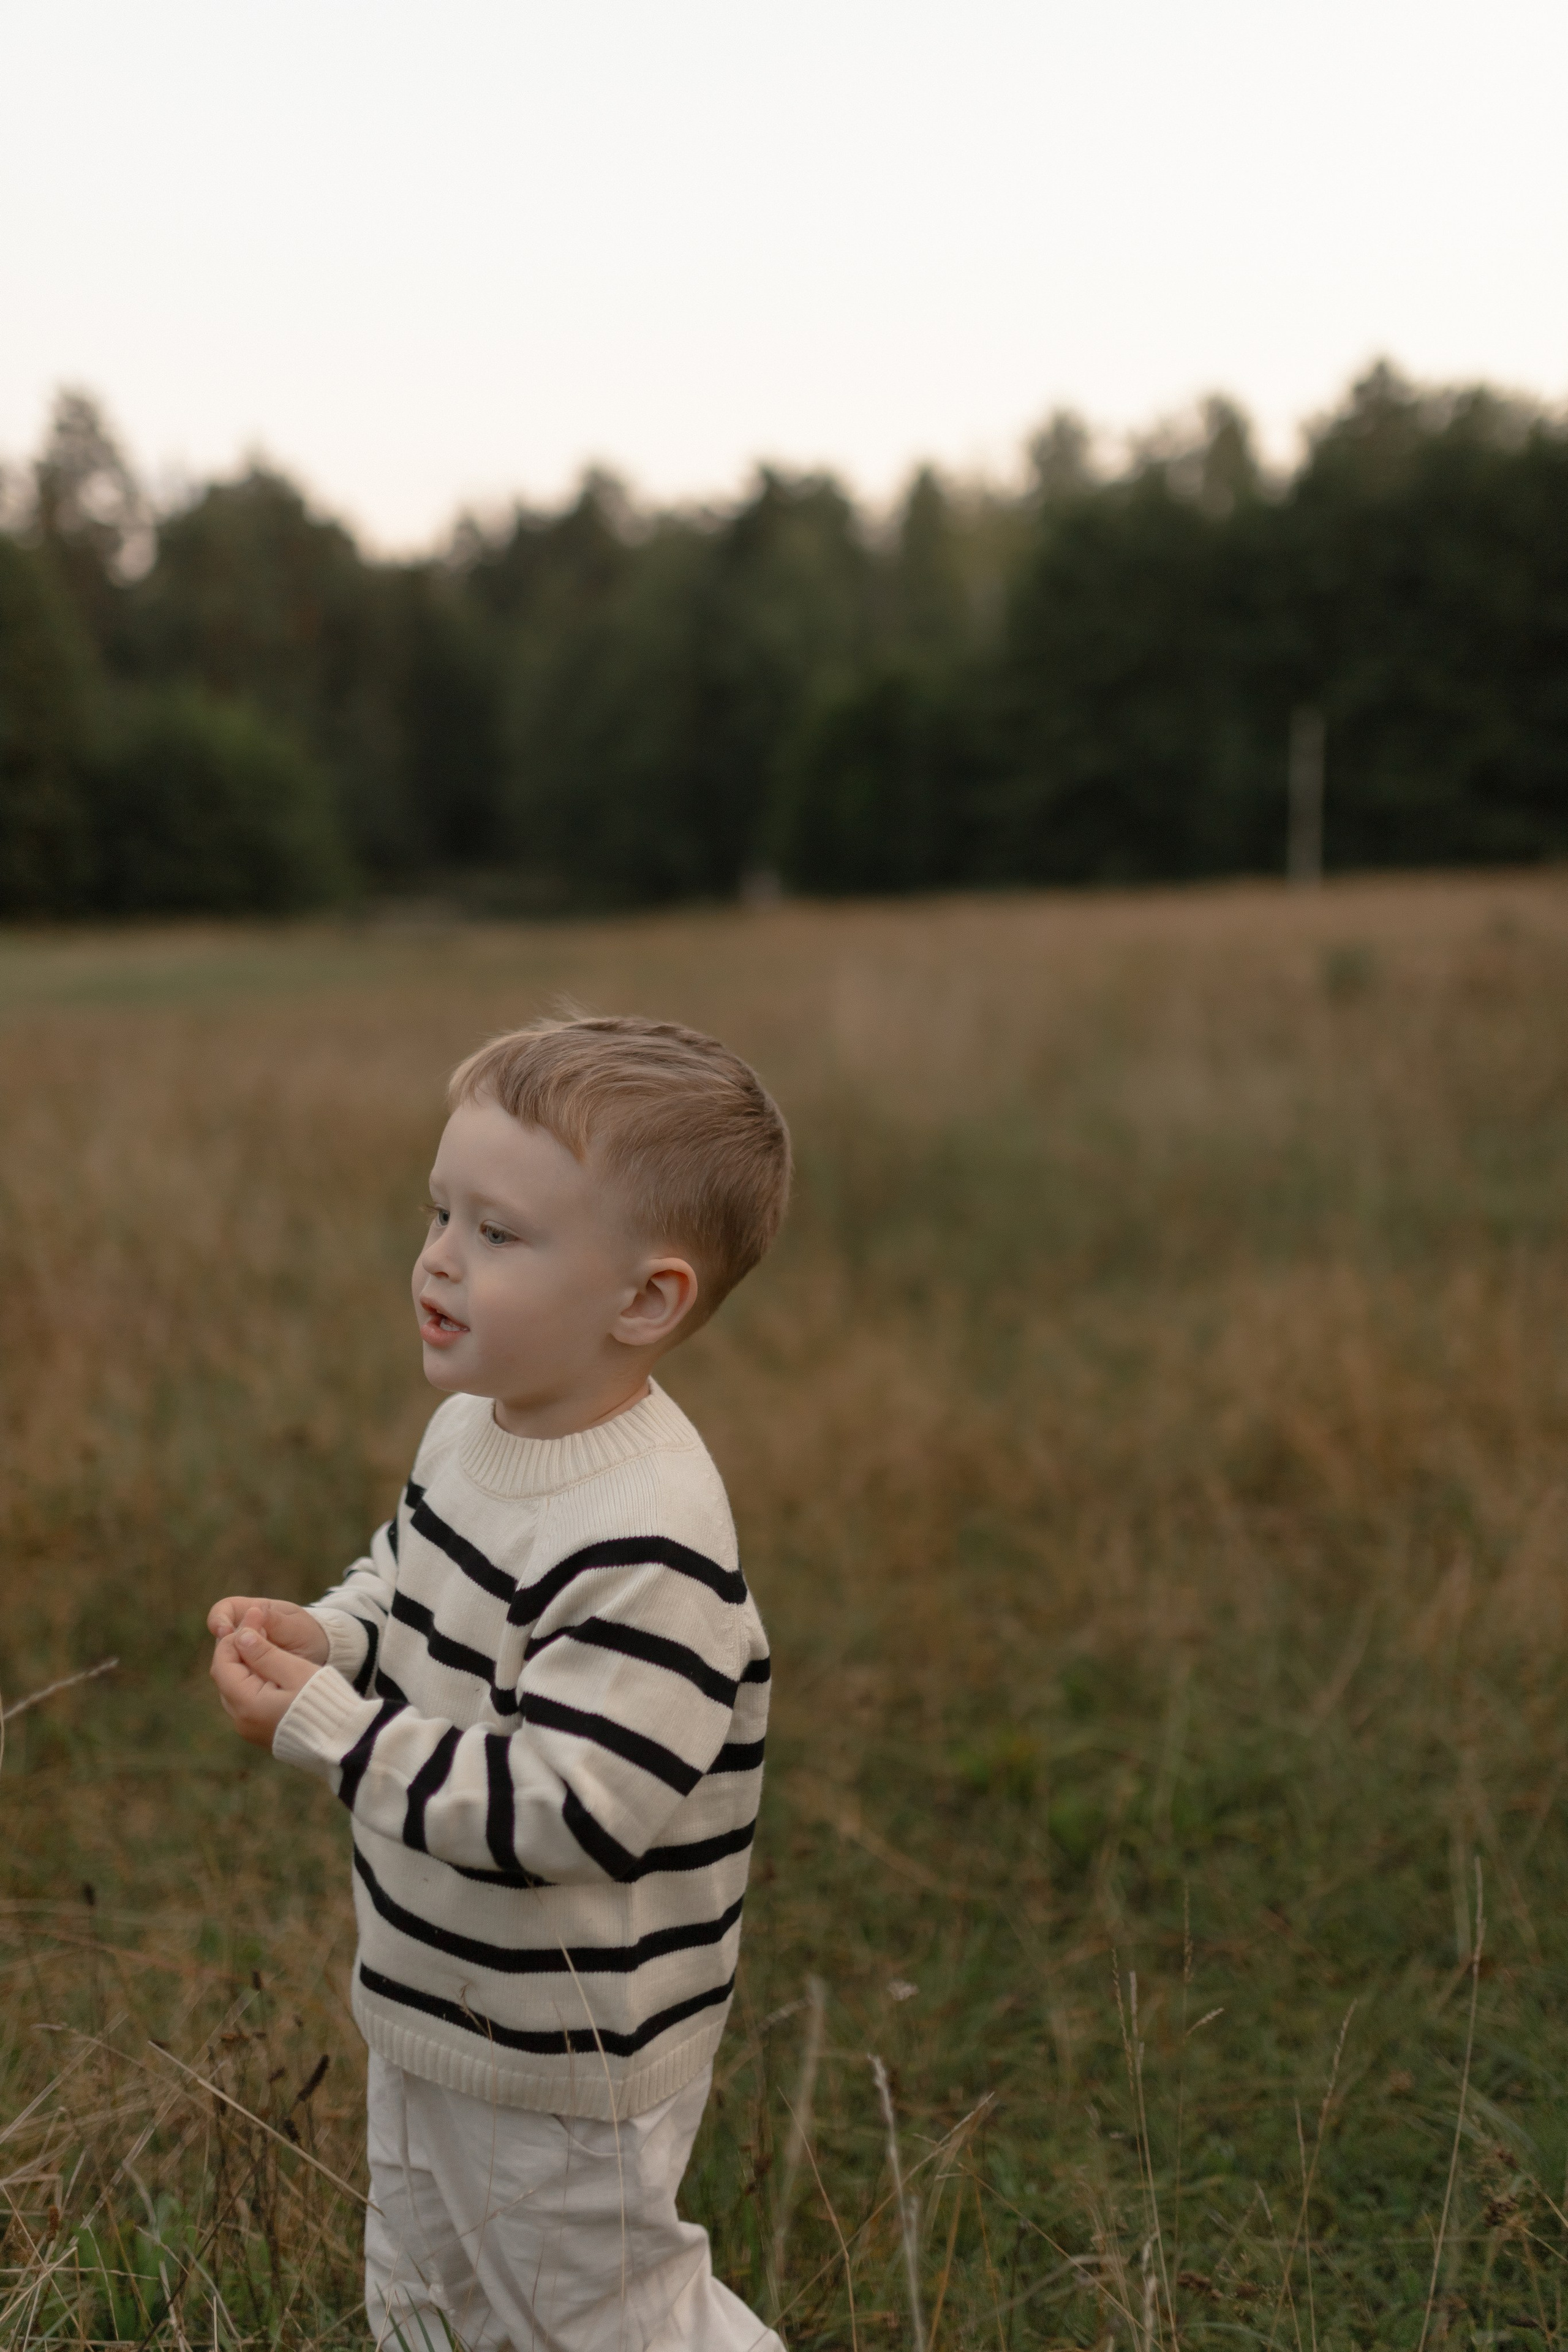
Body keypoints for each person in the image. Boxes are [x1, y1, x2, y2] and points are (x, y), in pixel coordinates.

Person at [208, 1015, 791, 2352]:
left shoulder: (647, 1541)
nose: (438, 1259)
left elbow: (566, 1815)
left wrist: (328, 1729)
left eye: (498, 1235)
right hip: (431, 1995)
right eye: (439, 1211)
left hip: (564, 2049)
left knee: (605, 2325)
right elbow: (408, 1574)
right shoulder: (473, 1426)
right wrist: (333, 1636)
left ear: (644, 1301)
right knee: (423, 2298)